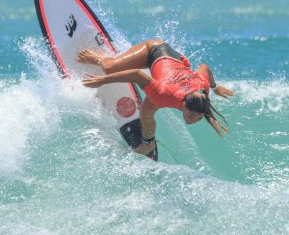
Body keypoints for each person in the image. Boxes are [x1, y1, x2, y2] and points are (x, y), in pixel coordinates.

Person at [78, 39, 234, 157]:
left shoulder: (202, 90)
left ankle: (148, 142)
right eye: (193, 115)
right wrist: (103, 79)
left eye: (198, 118)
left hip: (171, 67)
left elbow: (204, 68)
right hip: (154, 51)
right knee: (109, 68)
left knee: (150, 106)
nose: (194, 120)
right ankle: (99, 57)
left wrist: (215, 87)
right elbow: (136, 74)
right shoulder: (164, 94)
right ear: (184, 105)